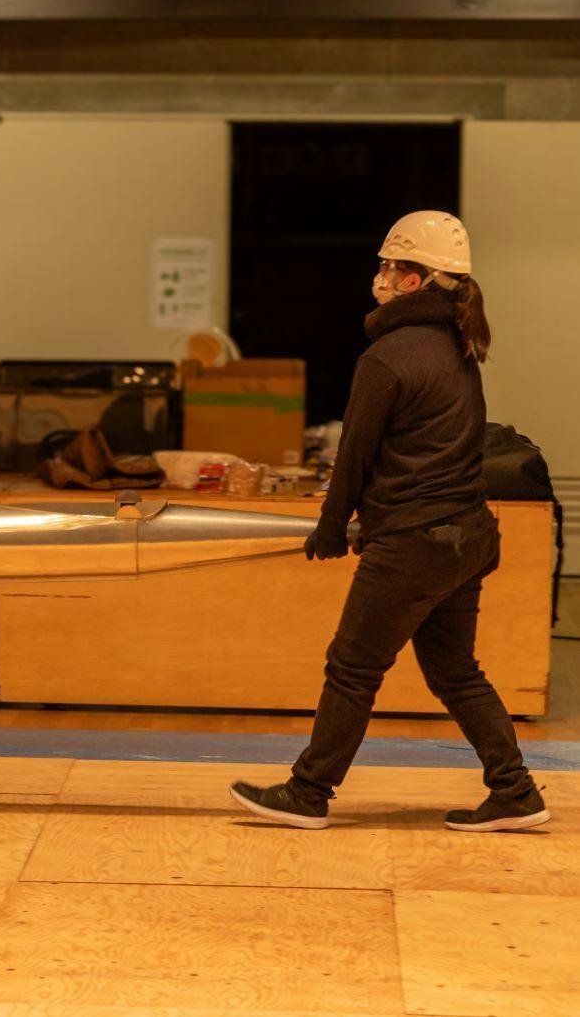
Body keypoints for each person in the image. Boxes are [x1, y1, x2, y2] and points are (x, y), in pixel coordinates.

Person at [230, 211, 547, 833]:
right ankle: (515, 792)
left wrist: (330, 526)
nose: (378, 275)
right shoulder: (458, 347)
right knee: (455, 672)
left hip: (413, 543)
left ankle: (308, 793)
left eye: (388, 265)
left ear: (414, 279)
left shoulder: (388, 356)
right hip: (468, 536)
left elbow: (355, 454)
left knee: (353, 668)